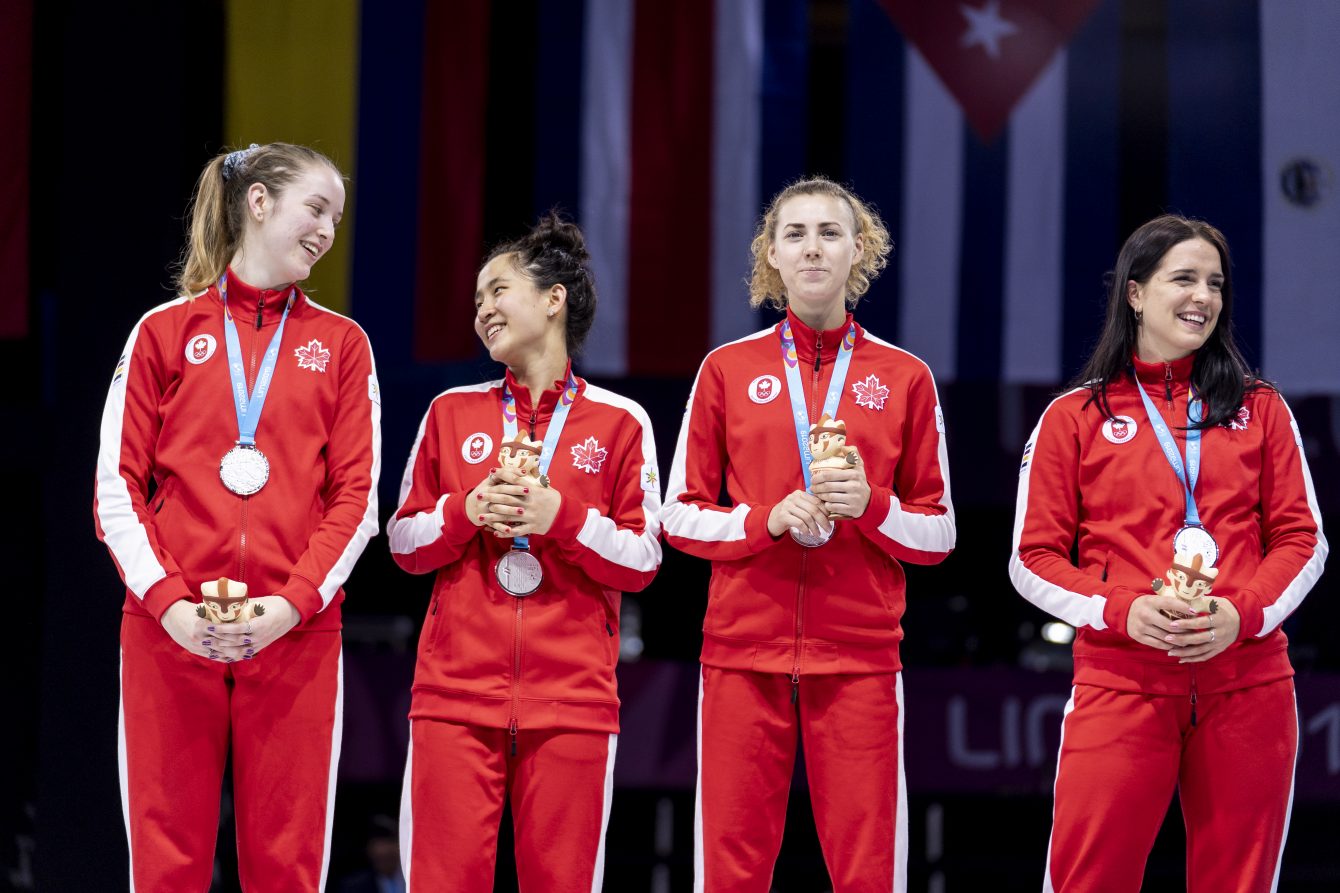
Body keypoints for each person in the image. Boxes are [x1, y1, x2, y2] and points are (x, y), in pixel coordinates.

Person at [93, 142, 382, 891]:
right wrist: (170, 605)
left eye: (337, 218)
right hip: (169, 631)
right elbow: (115, 488)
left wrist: (291, 605)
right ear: (259, 202)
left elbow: (357, 499)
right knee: (166, 863)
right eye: (315, 209)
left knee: (287, 867)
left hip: (295, 635)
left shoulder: (343, 345)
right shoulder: (162, 331)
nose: (327, 231)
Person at [1009, 214, 1327, 891]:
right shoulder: (1074, 417)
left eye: (1215, 283)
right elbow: (1032, 557)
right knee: (1089, 880)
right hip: (1122, 681)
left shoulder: (1262, 409)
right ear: (1135, 292)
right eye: (1184, 278)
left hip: (1247, 682)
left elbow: (1303, 538)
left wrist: (1242, 614)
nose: (1203, 297)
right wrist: (1121, 609)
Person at [662, 177, 956, 891]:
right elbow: (677, 514)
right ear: (772, 253)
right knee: (728, 867)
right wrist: (763, 519)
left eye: (830, 232)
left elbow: (939, 530)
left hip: (859, 657)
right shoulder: (726, 369)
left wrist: (871, 505)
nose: (813, 247)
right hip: (742, 652)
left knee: (868, 870)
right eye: (794, 234)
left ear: (859, 249)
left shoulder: (907, 377)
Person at [387, 213, 662, 891]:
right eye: (477, 300)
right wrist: (466, 512)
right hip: (454, 696)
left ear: (553, 298)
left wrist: (560, 518)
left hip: (573, 701)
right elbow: (402, 541)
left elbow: (643, 559)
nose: (482, 310)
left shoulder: (621, 422)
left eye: (498, 290)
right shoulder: (450, 411)